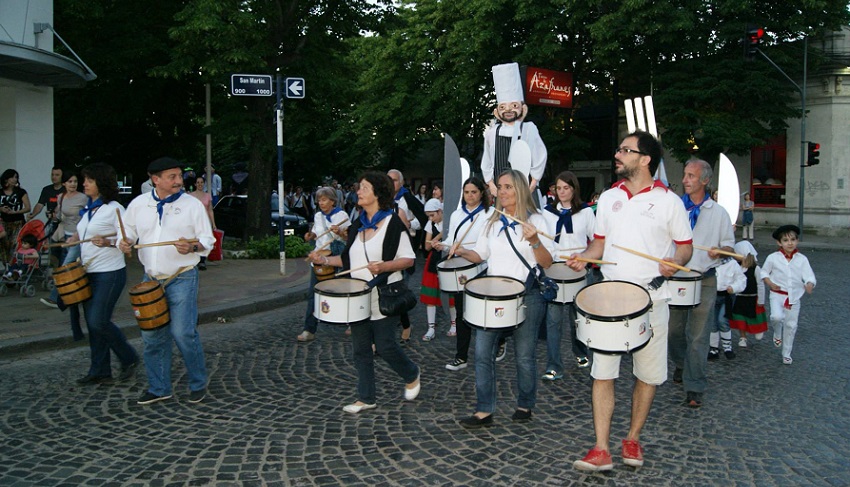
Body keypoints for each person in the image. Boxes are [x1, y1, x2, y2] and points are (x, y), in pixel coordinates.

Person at [568, 131, 692, 471]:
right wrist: (585, 258)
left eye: (626, 150)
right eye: (619, 148)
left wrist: (674, 262)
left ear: (645, 159)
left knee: (647, 376)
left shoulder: (670, 201)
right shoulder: (608, 198)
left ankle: (633, 438)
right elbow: (600, 244)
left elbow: (685, 247)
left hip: (652, 297)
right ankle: (601, 448)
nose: (618, 154)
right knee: (603, 373)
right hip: (610, 298)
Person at [309, 171, 421, 413]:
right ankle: (366, 397)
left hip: (383, 292)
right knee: (360, 348)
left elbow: (409, 259)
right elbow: (349, 260)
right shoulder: (358, 224)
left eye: (364, 188)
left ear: (378, 194)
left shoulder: (393, 223)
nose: (358, 192)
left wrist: (385, 266)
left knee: (384, 346)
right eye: (359, 188)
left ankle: (411, 373)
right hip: (358, 294)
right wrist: (324, 260)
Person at [453, 169, 554, 428]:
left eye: (508, 186)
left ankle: (525, 404)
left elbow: (547, 262)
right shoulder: (492, 221)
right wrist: (461, 251)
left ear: (520, 189)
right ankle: (484, 409)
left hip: (527, 295)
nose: (503, 192)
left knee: (524, 355)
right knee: (482, 352)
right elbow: (481, 255)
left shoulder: (539, 221)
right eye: (500, 187)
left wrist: (534, 241)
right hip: (494, 296)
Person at [118, 157, 215, 405]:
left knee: (182, 332)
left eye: (179, 176)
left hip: (182, 276)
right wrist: (124, 241)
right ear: (155, 179)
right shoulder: (139, 204)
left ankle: (197, 383)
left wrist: (193, 245)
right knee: (152, 337)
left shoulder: (192, 205)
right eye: (172, 177)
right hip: (150, 280)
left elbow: (207, 240)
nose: (178, 181)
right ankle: (160, 387)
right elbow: (127, 232)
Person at [668, 159, 735, 409]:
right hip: (675, 277)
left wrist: (723, 251)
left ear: (705, 181)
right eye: (685, 175)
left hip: (705, 278)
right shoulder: (674, 208)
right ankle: (682, 364)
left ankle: (695, 385)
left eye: (691, 176)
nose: (685, 180)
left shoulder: (719, 213)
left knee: (698, 336)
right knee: (674, 332)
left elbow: (730, 245)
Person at [67, 163, 140, 385]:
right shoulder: (91, 208)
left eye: (89, 180)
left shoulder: (115, 208)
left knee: (98, 321)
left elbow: (128, 239)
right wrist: (74, 240)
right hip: (88, 271)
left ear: (101, 182)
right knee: (93, 323)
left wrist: (109, 242)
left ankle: (129, 357)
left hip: (110, 273)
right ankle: (100, 370)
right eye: (85, 180)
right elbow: (85, 234)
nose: (84, 184)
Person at [434, 176, 496, 371]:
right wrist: (442, 245)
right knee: (461, 313)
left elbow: (487, 245)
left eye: (474, 192)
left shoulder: (490, 214)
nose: (470, 196)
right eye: (467, 192)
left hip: (482, 268)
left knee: (483, 313)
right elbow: (451, 239)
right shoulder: (456, 214)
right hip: (460, 269)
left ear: (481, 193)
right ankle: (461, 356)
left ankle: (490, 352)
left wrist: (465, 251)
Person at [540, 171, 595, 377]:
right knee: (553, 321)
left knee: (577, 318)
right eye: (559, 188)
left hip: (578, 270)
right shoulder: (547, 213)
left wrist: (585, 257)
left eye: (566, 188)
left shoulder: (586, 213)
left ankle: (580, 351)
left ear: (574, 189)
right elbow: (544, 242)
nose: (562, 192)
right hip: (554, 270)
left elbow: (595, 241)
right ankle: (554, 365)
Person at [481, 62, 547, 196]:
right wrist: (491, 185)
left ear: (523, 109)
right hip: (502, 193)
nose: (508, 110)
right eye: (503, 107)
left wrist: (532, 184)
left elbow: (540, 157)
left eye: (514, 106)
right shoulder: (492, 133)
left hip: (526, 191)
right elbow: (487, 162)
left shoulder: (529, 128)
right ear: (496, 112)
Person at [40, 171, 88, 342]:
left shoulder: (83, 198)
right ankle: (72, 295)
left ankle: (57, 298)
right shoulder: (61, 197)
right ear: (65, 183)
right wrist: (53, 216)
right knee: (68, 267)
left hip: (78, 238)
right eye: (70, 181)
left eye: (75, 181)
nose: (73, 184)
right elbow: (59, 215)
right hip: (63, 236)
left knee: (66, 266)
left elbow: (88, 216)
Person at [298, 186, 351, 342]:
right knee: (313, 294)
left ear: (332, 201)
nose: (321, 203)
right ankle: (309, 329)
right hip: (320, 259)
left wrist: (340, 232)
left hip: (337, 259)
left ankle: (353, 322)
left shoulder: (342, 215)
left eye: (324, 199)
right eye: (319, 200)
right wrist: (311, 235)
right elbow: (316, 234)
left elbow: (349, 237)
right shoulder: (318, 216)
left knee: (345, 293)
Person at [760, 225, 816, 365]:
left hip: (794, 297)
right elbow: (764, 272)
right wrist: (770, 283)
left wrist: (809, 284)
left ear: (797, 241)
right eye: (785, 240)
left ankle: (786, 353)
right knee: (776, 317)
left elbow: (809, 276)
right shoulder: (773, 258)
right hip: (777, 294)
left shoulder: (802, 259)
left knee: (791, 325)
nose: (789, 243)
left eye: (792, 239)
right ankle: (777, 332)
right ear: (779, 243)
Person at [387, 169, 424, 345]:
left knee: (400, 290)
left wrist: (410, 224)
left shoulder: (407, 198)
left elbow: (424, 217)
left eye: (394, 180)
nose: (391, 183)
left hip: (404, 249)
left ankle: (405, 326)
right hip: (386, 251)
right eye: (388, 180)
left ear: (401, 183)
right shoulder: (383, 199)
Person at [419, 198, 456, 341]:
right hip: (433, 260)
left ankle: (454, 325)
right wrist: (435, 239)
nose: (431, 218)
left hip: (448, 259)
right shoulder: (431, 223)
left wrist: (441, 235)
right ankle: (431, 328)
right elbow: (427, 247)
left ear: (440, 211)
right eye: (428, 216)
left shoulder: (450, 222)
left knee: (451, 295)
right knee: (431, 296)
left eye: (432, 215)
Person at [729, 241, 768, 347]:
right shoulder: (737, 267)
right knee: (740, 318)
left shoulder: (756, 269)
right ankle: (743, 337)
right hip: (740, 298)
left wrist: (761, 300)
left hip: (752, 297)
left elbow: (760, 285)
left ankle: (757, 329)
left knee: (753, 317)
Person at [709, 255, 746, 360]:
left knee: (722, 320)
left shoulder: (732, 264)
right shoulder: (710, 262)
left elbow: (742, 280)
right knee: (713, 322)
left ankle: (727, 348)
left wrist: (734, 287)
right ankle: (714, 348)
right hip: (713, 295)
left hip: (727, 296)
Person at [0, 169, 32, 263]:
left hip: (17, 222)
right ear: (6, 179)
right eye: (13, 177)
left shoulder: (20, 192)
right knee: (4, 244)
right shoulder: (1, 192)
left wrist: (15, 212)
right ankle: (6, 264)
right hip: (3, 222)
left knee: (15, 243)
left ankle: (12, 265)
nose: (15, 179)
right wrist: (1, 209)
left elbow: (28, 207)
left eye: (16, 177)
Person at [188, 175, 217, 271]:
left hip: (205, 221)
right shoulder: (191, 196)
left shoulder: (207, 196)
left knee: (204, 239)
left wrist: (213, 223)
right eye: (198, 182)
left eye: (202, 182)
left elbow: (210, 210)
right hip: (194, 221)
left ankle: (202, 261)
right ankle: (195, 259)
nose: (200, 184)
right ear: (195, 184)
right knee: (194, 240)